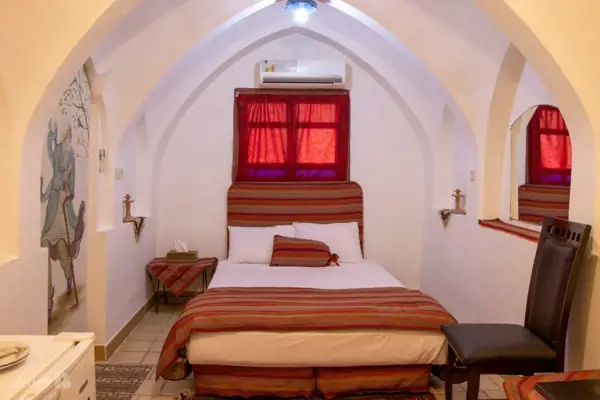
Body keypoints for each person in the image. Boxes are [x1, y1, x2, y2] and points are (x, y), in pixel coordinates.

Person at [40, 121, 85, 319]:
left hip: (63, 203)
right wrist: (49, 140)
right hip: (53, 204)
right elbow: (52, 159)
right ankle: (48, 296)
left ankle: (68, 276)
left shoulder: (72, 154)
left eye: (71, 131)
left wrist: (69, 193)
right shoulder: (58, 149)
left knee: (62, 248)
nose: (69, 133)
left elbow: (72, 178)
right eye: (69, 131)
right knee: (45, 245)